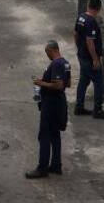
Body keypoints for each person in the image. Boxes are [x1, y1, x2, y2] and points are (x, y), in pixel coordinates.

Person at [27, 40, 71, 179]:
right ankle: (56, 165)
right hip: (59, 103)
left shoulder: (56, 63)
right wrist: (46, 81)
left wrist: (40, 83)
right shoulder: (66, 63)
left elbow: (58, 85)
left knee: (44, 136)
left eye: (47, 53)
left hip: (51, 104)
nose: (47, 56)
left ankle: (42, 168)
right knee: (54, 134)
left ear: (51, 50)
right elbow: (68, 83)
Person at [74, 0, 104, 119]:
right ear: (98, 9)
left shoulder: (81, 17)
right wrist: (95, 59)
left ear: (88, 5)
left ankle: (79, 106)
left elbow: (75, 34)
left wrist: (79, 47)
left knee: (83, 81)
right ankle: (98, 110)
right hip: (90, 58)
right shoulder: (91, 22)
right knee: (99, 82)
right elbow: (90, 41)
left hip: (82, 55)